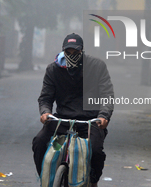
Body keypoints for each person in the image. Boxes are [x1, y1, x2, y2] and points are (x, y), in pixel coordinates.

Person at [32, 33, 114, 187]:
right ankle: (46, 176)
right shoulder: (53, 69)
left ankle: (93, 181)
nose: (71, 56)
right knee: (39, 142)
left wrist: (104, 116)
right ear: (63, 51)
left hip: (90, 122)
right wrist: (45, 112)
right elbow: (45, 97)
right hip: (61, 120)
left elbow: (107, 96)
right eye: (68, 53)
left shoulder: (97, 67)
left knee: (96, 151)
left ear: (82, 51)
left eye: (75, 53)